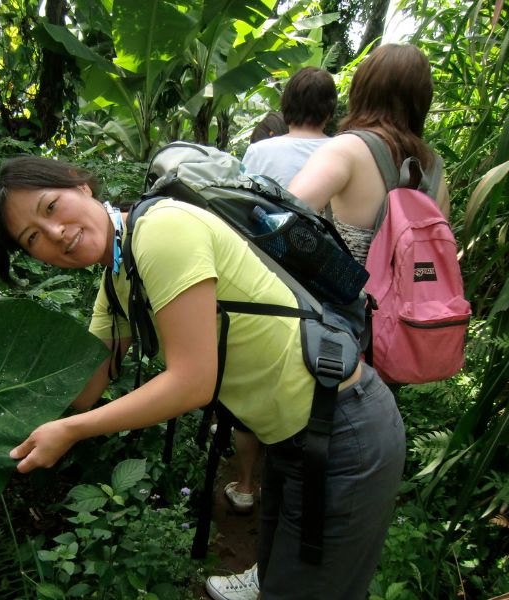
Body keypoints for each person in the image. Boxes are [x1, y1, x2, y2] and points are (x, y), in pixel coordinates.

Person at [0, 152, 406, 600]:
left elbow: (192, 382)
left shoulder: (162, 231)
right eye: (33, 238)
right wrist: (17, 330)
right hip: (293, 442)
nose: (55, 233)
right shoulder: (117, 281)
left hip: (342, 433)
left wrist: (72, 431)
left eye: (50, 207)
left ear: (79, 185)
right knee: (280, 578)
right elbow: (84, 390)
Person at [208, 42, 448, 600]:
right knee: (351, 464)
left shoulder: (350, 149)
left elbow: (275, 221)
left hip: (334, 336)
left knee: (303, 462)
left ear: (362, 90)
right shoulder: (435, 168)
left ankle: (273, 575)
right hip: (392, 338)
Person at [217, 66, 339, 518]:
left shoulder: (260, 151)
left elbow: (241, 213)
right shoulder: (344, 151)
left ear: (286, 106)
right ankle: (295, 489)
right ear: (330, 109)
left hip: (265, 282)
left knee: (257, 380)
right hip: (323, 287)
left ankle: (247, 485)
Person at [287, 43, 450, 266]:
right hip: (414, 290)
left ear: (361, 89)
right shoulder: (435, 173)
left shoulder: (346, 150)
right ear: (422, 101)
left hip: (345, 288)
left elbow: (280, 218)